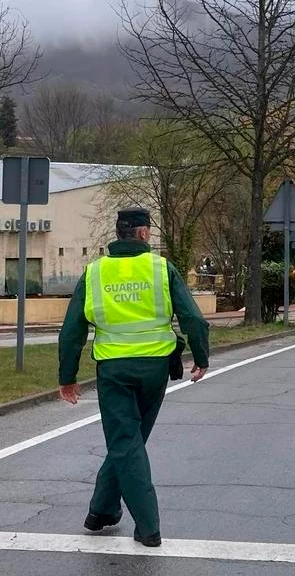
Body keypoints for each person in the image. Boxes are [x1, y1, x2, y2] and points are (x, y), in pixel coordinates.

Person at [57, 207, 210, 548]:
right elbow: (193, 319)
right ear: (143, 234)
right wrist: (201, 357)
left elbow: (71, 331)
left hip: (113, 370)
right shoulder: (160, 268)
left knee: (126, 442)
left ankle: (136, 522)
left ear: (119, 232)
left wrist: (67, 377)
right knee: (129, 442)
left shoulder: (95, 272)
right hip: (155, 369)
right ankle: (109, 513)